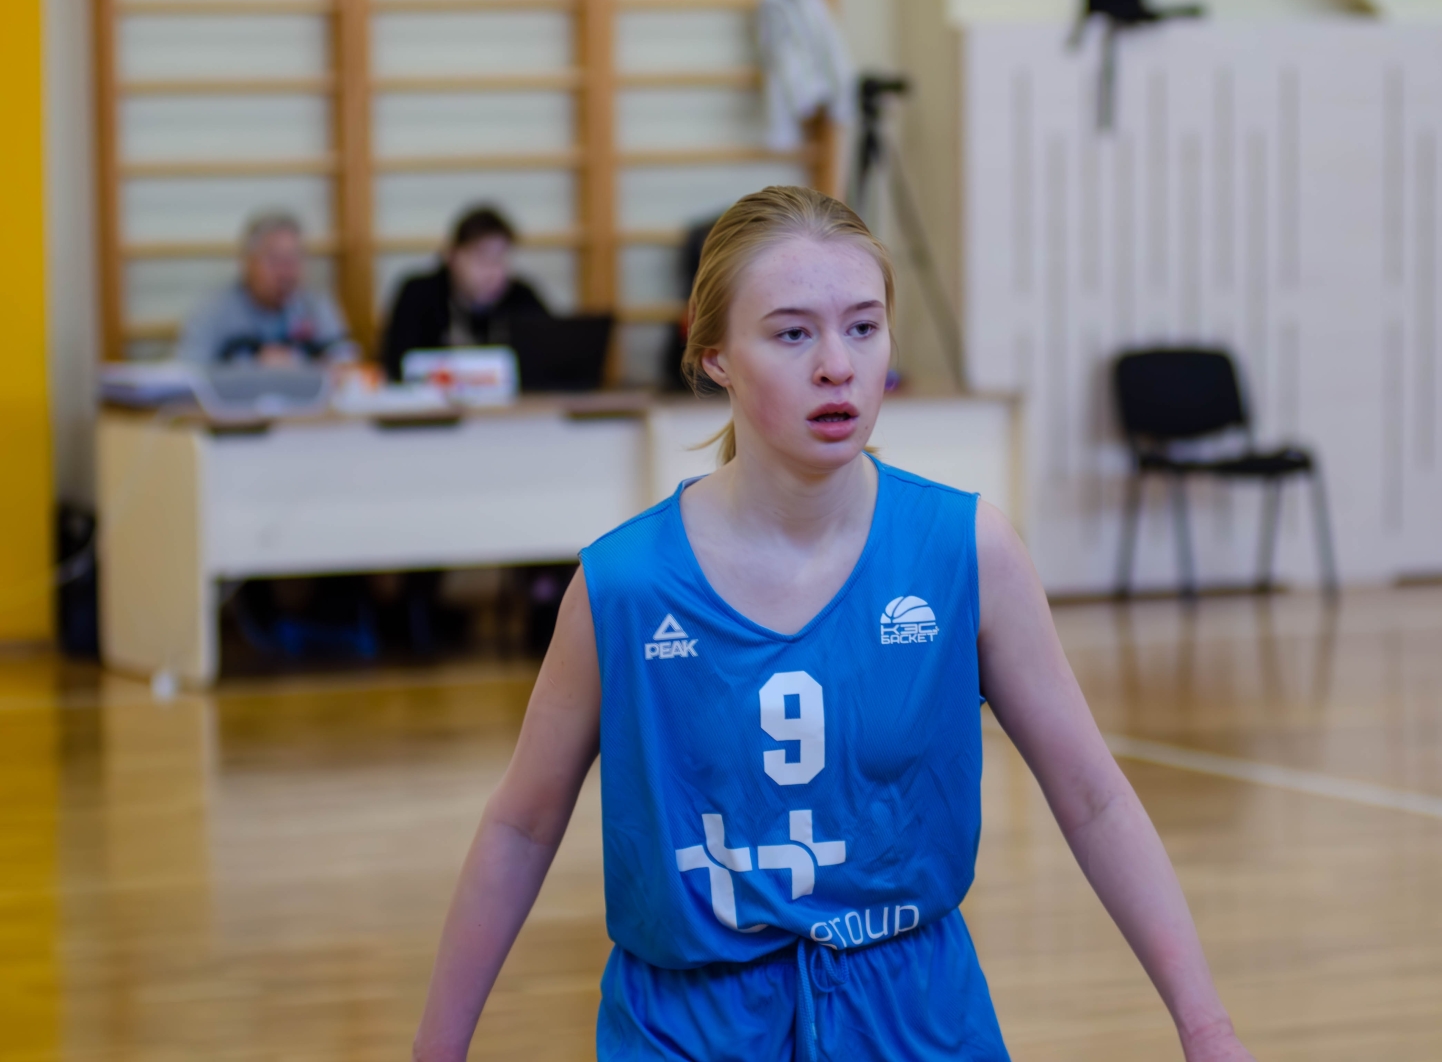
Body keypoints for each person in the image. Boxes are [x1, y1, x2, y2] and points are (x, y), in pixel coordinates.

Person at [413, 186, 1255, 1062]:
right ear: (714, 356)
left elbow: (1095, 798)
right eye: (792, 334)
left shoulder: (966, 550)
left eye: (862, 327)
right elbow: (520, 828)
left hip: (916, 1018)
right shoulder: (624, 585)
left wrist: (1208, 1030)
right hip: (688, 1029)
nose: (836, 366)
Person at [380, 205, 550, 381]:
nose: (492, 270)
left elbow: (550, 358)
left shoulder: (522, 298)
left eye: (500, 258)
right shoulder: (419, 294)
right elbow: (396, 363)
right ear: (452, 256)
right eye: (481, 257)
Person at [177, 210, 357, 366]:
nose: (285, 272)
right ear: (247, 262)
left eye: (293, 259)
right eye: (275, 260)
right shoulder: (214, 310)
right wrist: (254, 368)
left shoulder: (314, 305)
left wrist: (301, 366)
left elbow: (346, 362)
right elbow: (188, 372)